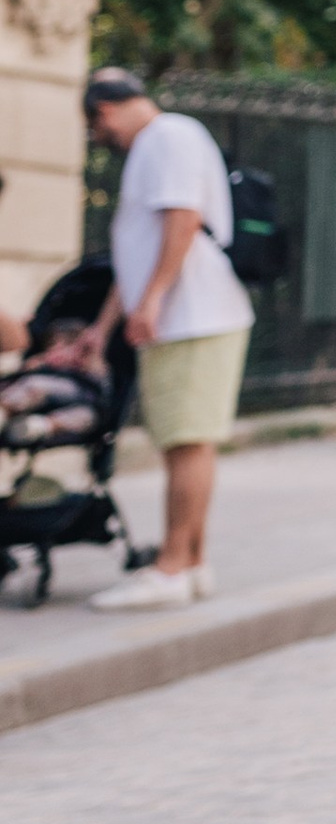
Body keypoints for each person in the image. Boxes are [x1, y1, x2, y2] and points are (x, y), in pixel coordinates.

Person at [72, 69, 255, 613]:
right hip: (190, 311)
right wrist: (102, 329)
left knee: (186, 439)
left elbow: (182, 219)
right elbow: (141, 246)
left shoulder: (166, 137)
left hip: (192, 313)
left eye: (94, 127)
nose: (99, 139)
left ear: (103, 111)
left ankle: (172, 566)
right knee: (188, 440)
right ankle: (191, 563)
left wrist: (152, 299)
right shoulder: (168, 138)